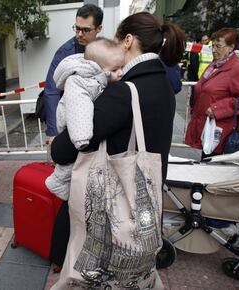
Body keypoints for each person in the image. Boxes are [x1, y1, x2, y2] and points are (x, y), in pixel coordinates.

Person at [49, 11, 186, 277]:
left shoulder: (125, 92)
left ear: (128, 41)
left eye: (115, 39)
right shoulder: (163, 85)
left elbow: (66, 147)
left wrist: (57, 141)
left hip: (114, 205)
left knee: (97, 273)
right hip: (147, 198)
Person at [45, 37, 124, 201]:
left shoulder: (96, 80)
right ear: (98, 69)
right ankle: (57, 182)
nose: (121, 73)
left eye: (121, 68)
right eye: (116, 69)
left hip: (78, 127)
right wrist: (82, 137)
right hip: (74, 126)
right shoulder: (79, 81)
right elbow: (79, 107)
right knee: (72, 162)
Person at [185, 28, 239, 158]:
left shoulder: (238, 68)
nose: (214, 50)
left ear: (231, 47)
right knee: (207, 163)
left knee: (214, 167)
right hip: (208, 126)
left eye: (218, 46)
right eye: (212, 46)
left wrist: (217, 109)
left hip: (220, 130)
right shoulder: (215, 65)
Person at [43, 4, 103, 143]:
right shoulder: (64, 53)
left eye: (86, 30)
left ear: (99, 28)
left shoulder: (106, 49)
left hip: (99, 119)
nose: (79, 34)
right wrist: (54, 132)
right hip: (71, 121)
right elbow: (52, 91)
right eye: (77, 28)